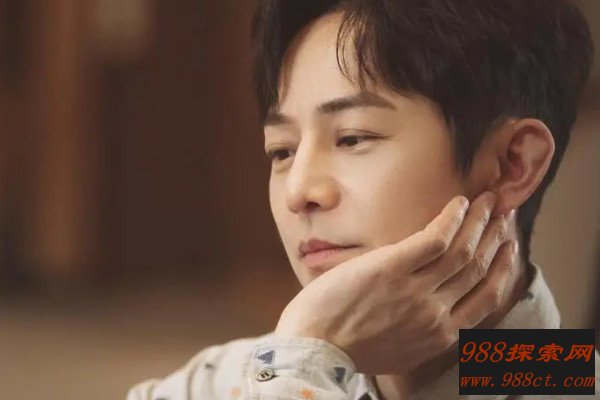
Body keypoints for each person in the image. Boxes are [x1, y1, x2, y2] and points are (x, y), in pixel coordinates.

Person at [127, 0, 599, 399]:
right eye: (282, 151)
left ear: (513, 164)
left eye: (353, 138)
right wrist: (308, 354)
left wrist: (303, 364)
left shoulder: (569, 381)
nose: (298, 192)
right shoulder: (222, 382)